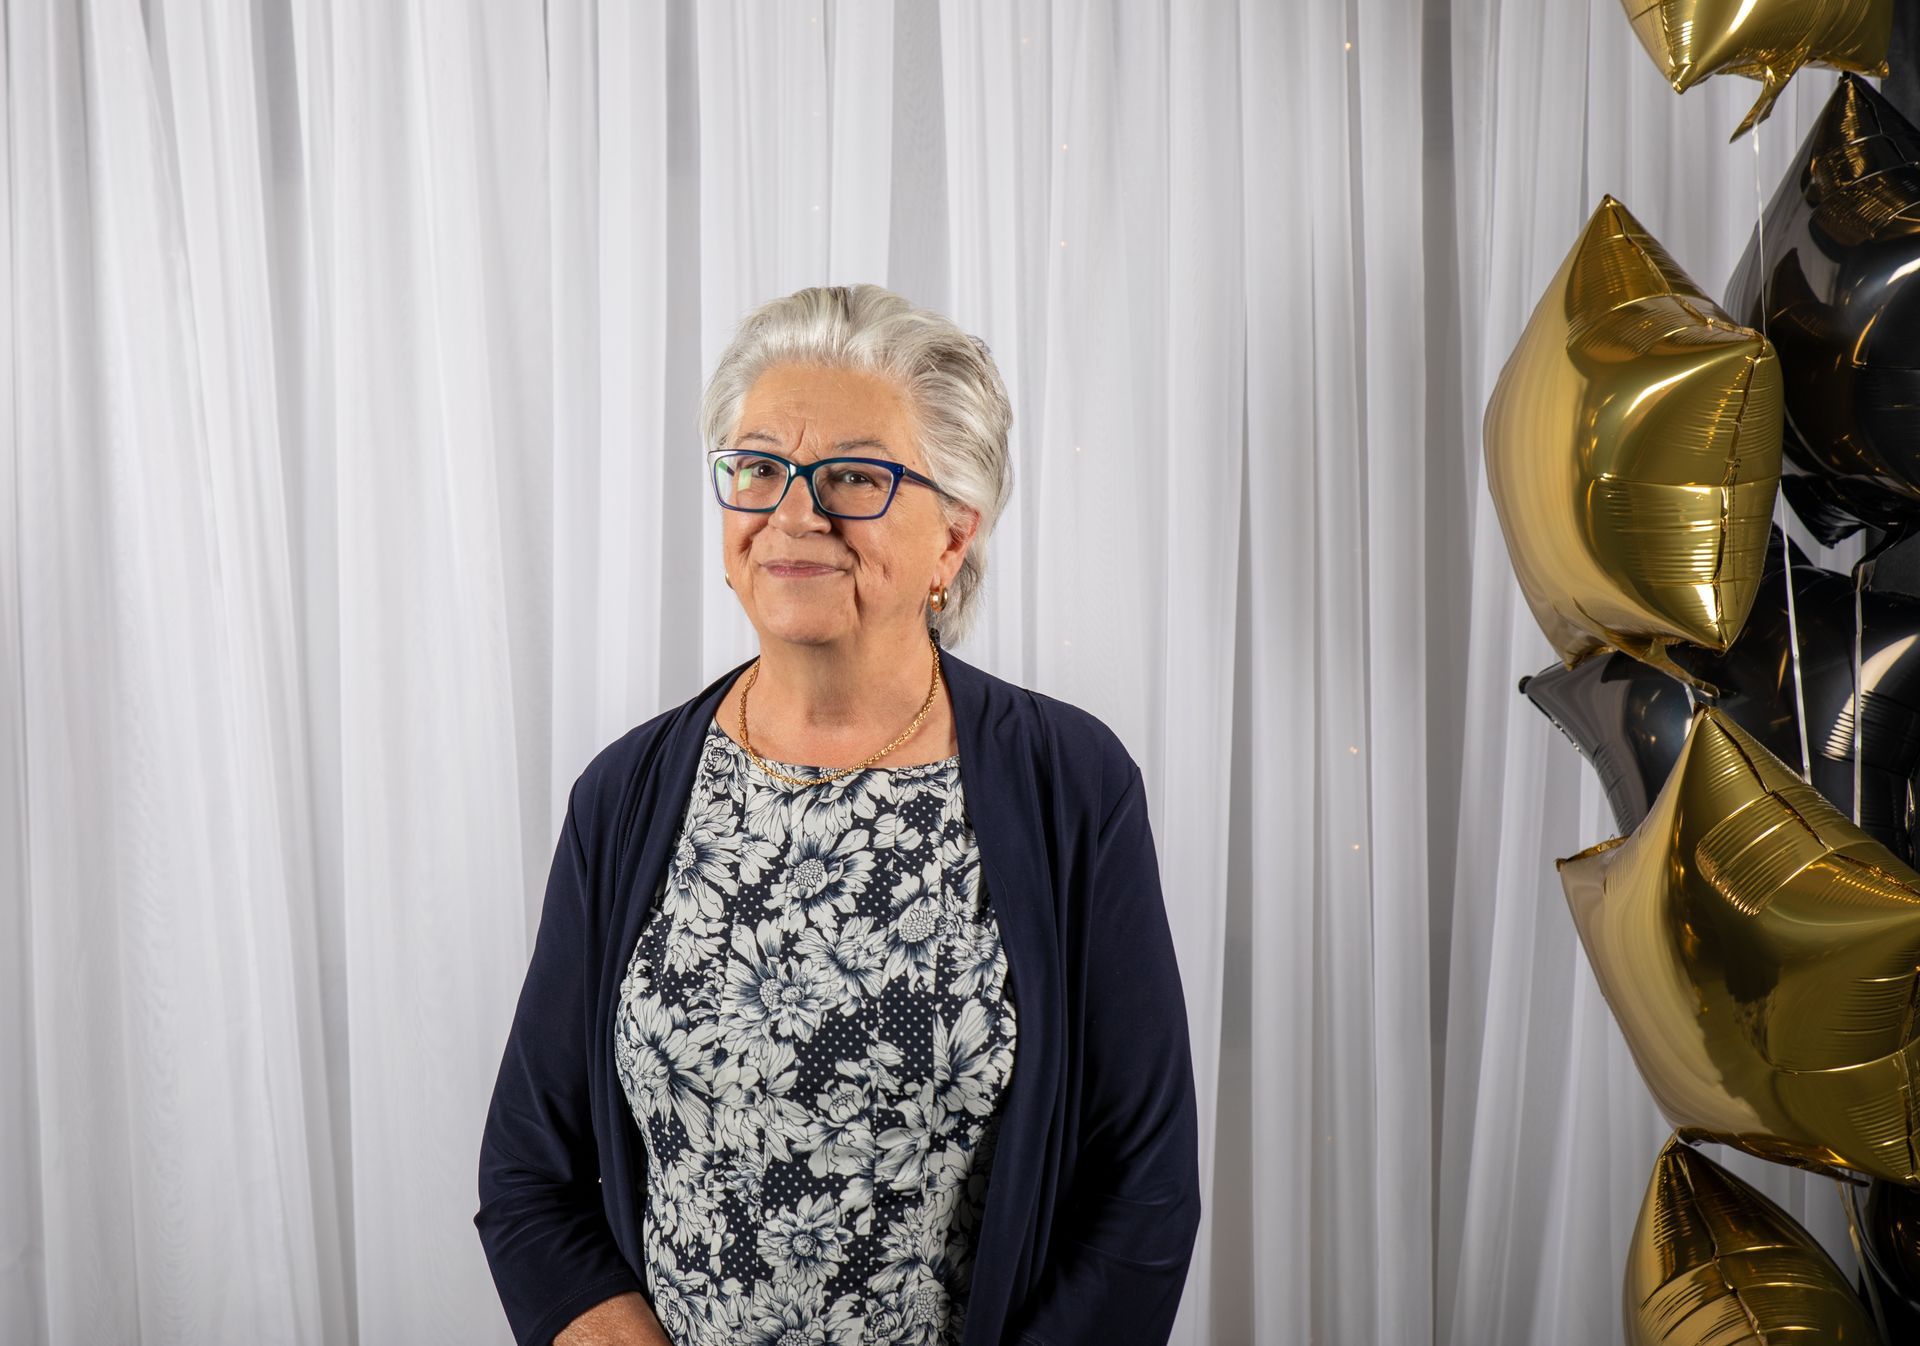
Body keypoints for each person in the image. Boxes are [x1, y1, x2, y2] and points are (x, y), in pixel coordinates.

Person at [474, 284, 1201, 1346]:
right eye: (759, 468)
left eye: (853, 476)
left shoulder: (1071, 785)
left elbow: (1142, 1195)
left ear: (955, 534)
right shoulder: (626, 793)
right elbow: (528, 1175)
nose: (793, 513)